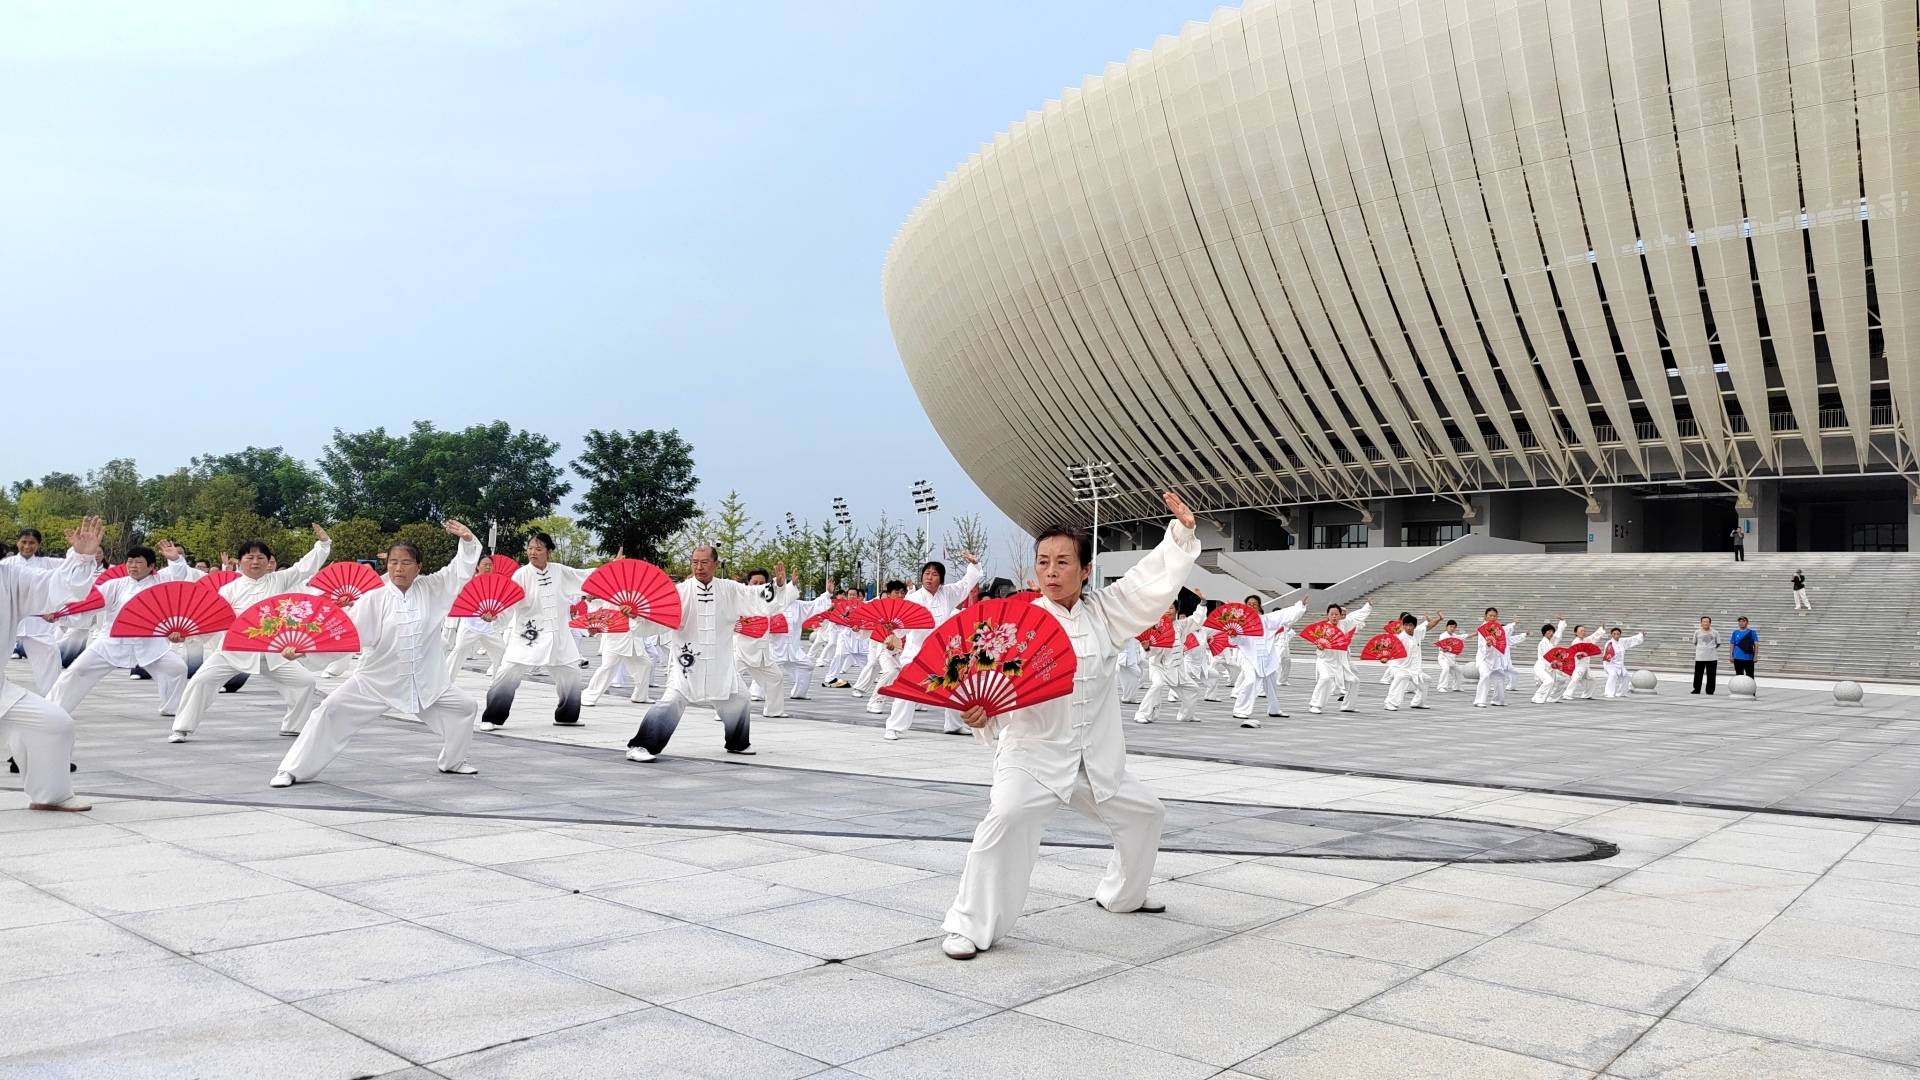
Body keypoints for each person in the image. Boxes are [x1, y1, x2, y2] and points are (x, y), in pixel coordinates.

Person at [941, 492, 1199, 961]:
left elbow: (1147, 584)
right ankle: (969, 925)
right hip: (1033, 754)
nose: (1052, 571)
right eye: (1044, 562)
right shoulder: (1015, 624)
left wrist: (1179, 534)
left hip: (1094, 756)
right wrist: (979, 715)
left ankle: (1122, 894)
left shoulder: (1105, 611)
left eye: (1064, 562)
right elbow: (986, 687)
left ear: (1085, 570)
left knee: (1147, 815)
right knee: (1005, 819)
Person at [271, 522, 482, 787]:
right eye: (393, 562)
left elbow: (459, 571)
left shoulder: (433, 588)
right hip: (377, 680)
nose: (398, 568)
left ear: (419, 567)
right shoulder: (375, 598)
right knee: (329, 711)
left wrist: (468, 541)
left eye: (406, 563)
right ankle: (291, 770)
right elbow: (349, 637)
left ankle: (453, 762)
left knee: (464, 708)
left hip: (426, 680)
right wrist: (305, 651)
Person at [624, 547, 795, 762]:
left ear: (715, 563)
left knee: (740, 699)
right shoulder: (679, 592)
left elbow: (757, 598)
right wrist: (637, 615)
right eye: (695, 562)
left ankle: (737, 742)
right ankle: (640, 745)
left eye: (704, 562)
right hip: (687, 663)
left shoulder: (730, 590)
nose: (699, 567)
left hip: (720, 663)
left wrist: (779, 587)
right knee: (672, 701)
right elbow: (655, 622)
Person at [168, 526, 333, 742]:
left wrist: (323, 544)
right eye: (250, 557)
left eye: (260, 557)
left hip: (273, 652)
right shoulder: (229, 590)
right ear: (240, 561)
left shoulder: (279, 580)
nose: (255, 562)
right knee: (201, 680)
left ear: (268, 561)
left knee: (304, 682)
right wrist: (185, 636)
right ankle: (181, 728)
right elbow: (214, 621)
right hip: (233, 651)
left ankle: (294, 726)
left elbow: (304, 568)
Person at [0, 516, 105, 811]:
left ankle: (51, 795)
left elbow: (57, 588)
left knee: (56, 723)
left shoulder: (9, 577)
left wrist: (83, 557)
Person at [50, 541, 199, 717]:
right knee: (77, 670)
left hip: (149, 643)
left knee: (176, 668)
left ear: (151, 566)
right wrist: (59, 613)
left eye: (138, 562)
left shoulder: (161, 581)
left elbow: (179, 576)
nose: (133, 566)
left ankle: (171, 708)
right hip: (112, 641)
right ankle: (53, 707)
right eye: (130, 561)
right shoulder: (115, 585)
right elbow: (89, 603)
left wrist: (175, 559)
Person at [475, 531, 592, 731]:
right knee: (508, 672)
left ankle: (567, 716)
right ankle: (492, 717)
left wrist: (612, 568)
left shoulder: (560, 571)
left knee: (571, 674)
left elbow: (587, 577)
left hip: (557, 635)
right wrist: (496, 615)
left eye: (538, 549)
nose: (533, 552)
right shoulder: (521, 574)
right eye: (530, 548)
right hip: (528, 634)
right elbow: (507, 602)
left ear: (549, 552)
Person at [884, 552, 984, 735]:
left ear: (941, 579)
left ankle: (953, 724)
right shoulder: (914, 599)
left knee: (956, 684)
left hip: (942, 652)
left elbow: (965, 584)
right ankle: (894, 727)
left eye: (935, 574)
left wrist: (974, 565)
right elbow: (902, 625)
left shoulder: (948, 593)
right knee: (907, 687)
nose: (930, 577)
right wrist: (893, 635)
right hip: (916, 653)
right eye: (927, 573)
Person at [3, 528, 65, 694]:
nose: (27, 546)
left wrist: (52, 610)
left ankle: (52, 699)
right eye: (24, 542)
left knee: (50, 657)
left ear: (38, 545)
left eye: (32, 543)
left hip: (38, 624)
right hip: (8, 620)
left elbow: (69, 575)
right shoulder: (5, 565)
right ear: (17, 542)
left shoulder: (48, 563)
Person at [1230, 595, 1302, 726]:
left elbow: (1283, 615)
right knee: (1251, 679)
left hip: (1266, 656)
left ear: (1259, 606)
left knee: (1271, 683)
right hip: (1248, 656)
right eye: (1249, 604)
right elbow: (1237, 641)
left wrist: (1299, 606)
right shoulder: (1240, 622)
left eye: (1255, 604)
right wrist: (1234, 635)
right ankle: (1240, 710)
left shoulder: (1266, 619)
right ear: (1245, 606)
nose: (1252, 606)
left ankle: (1274, 709)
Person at [1131, 598, 1205, 724]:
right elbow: (1150, 654)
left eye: (1171, 608)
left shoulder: (1181, 625)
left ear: (1176, 610)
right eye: (1165, 608)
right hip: (1159, 666)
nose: (1168, 610)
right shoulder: (1155, 627)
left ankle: (1185, 715)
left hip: (1177, 668)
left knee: (1194, 689)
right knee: (1157, 685)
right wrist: (1147, 647)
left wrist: (1202, 603)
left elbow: (1196, 620)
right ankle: (1143, 714)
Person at [735, 568, 796, 719]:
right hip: (739, 649)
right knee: (729, 679)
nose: (758, 585)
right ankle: (724, 712)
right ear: (748, 583)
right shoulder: (738, 599)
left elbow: (782, 601)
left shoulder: (768, 601)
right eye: (754, 582)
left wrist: (785, 585)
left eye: (762, 583)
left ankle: (774, 710)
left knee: (776, 677)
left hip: (761, 651)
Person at [1305, 600, 1371, 715]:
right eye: (1332, 614)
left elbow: (1357, 616)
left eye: (1336, 614)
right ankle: (1315, 705)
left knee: (1354, 681)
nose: (1334, 616)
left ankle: (1348, 706)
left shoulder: (1345, 624)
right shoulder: (1322, 628)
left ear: (1341, 615)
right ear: (1328, 615)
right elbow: (1318, 646)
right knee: (1325, 678)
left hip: (1341, 662)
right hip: (1325, 660)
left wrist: (1368, 606)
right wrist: (1320, 648)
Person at [1383, 612, 1438, 711]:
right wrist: (1385, 658)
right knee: (1402, 677)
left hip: (1414, 669)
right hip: (1399, 667)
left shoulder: (1417, 633)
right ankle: (1390, 703)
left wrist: (1439, 619)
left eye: (1410, 625)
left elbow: (1428, 626)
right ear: (1403, 626)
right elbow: (1390, 649)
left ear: (1414, 626)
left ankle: (1418, 702)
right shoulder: (1400, 638)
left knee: (1426, 680)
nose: (1408, 627)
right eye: (1406, 625)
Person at [1472, 607, 1521, 708]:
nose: (1492, 617)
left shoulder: (1497, 627)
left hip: (1495, 658)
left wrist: (1513, 623)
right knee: (1485, 676)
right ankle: (1479, 701)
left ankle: (1498, 700)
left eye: (1494, 616)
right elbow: (1482, 645)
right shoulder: (1483, 628)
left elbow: (1505, 630)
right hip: (1484, 658)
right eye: (1490, 615)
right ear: (1485, 616)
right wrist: (1488, 645)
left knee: (1500, 676)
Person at [1531, 619, 1569, 704]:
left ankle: (1553, 698)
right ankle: (1536, 697)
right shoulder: (1543, 643)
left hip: (1550, 668)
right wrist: (1555, 663)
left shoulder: (1551, 642)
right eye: (1549, 631)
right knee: (1549, 681)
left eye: (1552, 631)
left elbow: (1558, 635)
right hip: (1541, 667)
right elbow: (1547, 657)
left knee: (1562, 680)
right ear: (1544, 633)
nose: (1551, 633)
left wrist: (1562, 623)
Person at [1601, 626, 1645, 698]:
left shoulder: (1622, 641)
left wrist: (1640, 635)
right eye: (1614, 634)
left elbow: (1631, 640)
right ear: (1611, 635)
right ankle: (1608, 693)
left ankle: (1621, 693)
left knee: (1626, 676)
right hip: (1610, 664)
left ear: (1620, 634)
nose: (1616, 635)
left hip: (1620, 665)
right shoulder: (1609, 643)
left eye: (1618, 634)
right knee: (1613, 675)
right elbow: (1607, 656)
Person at [1432, 620, 1466, 692]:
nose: (1452, 629)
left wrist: (1475, 633)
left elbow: (1463, 636)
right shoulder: (1443, 635)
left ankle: (1457, 687)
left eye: (1454, 627)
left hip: (1452, 659)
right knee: (1445, 669)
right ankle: (1441, 687)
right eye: (1451, 627)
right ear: (1447, 627)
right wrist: (1442, 649)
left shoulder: (1455, 636)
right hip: (1443, 658)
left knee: (1459, 671)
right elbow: (1440, 646)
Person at [1691, 615, 1721, 694]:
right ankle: (1696, 689)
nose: (1705, 623)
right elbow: (1695, 642)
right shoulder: (1697, 632)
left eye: (1707, 622)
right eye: (1703, 622)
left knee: (1711, 675)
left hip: (1712, 657)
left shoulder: (1715, 632)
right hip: (1700, 657)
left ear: (1710, 623)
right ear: (1701, 623)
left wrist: (1710, 648)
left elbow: (1718, 643)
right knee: (1698, 674)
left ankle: (1710, 690)